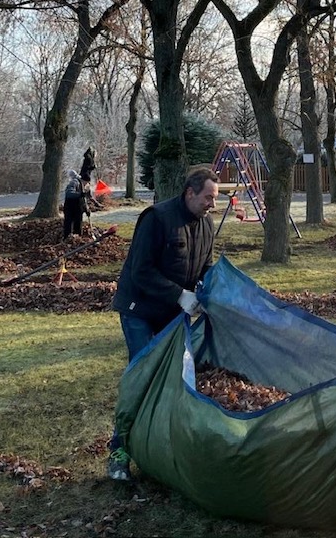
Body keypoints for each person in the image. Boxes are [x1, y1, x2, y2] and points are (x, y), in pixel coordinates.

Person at [106, 166, 218, 481]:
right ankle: (119, 452)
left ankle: (157, 446)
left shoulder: (206, 224)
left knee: (173, 378)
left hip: (172, 311)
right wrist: (179, 295)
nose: (212, 204)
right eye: (208, 197)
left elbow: (205, 265)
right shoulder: (157, 218)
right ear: (190, 192)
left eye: (215, 198)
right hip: (139, 308)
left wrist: (208, 292)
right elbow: (140, 270)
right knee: (143, 375)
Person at [62, 172, 90, 238]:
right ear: (83, 180)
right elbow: (69, 193)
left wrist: (87, 209)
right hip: (70, 208)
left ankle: (77, 239)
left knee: (78, 225)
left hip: (78, 208)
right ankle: (67, 239)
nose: (86, 184)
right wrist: (80, 194)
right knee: (68, 225)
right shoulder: (74, 182)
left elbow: (83, 200)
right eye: (86, 183)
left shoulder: (83, 186)